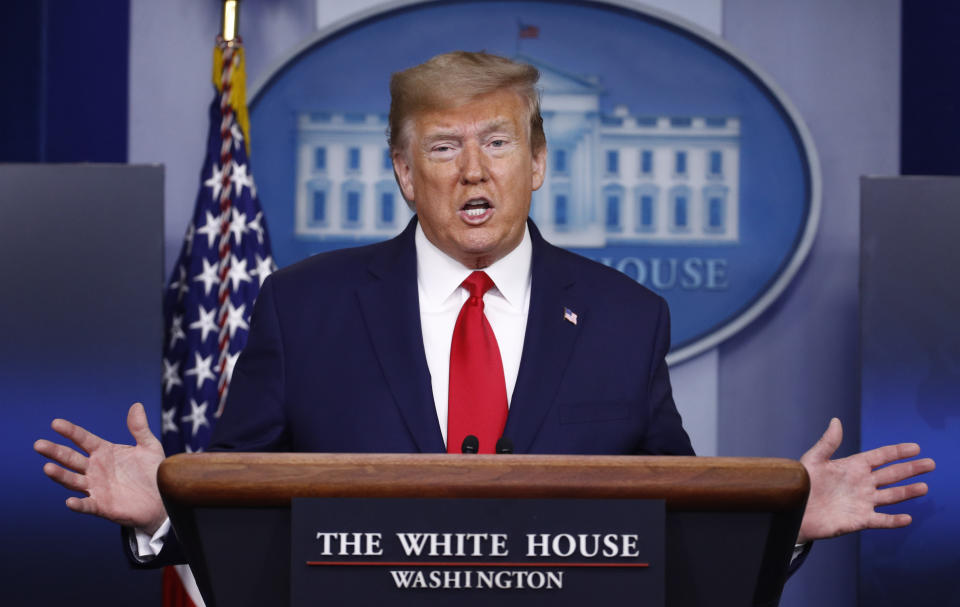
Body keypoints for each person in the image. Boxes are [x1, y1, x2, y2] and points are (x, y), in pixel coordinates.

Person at [35, 51, 934, 564]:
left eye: (498, 142)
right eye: (443, 147)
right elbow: (234, 508)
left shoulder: (626, 320)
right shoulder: (301, 310)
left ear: (537, 162)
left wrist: (784, 515)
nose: (474, 171)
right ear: (401, 171)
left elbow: (677, 525)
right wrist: (161, 504)